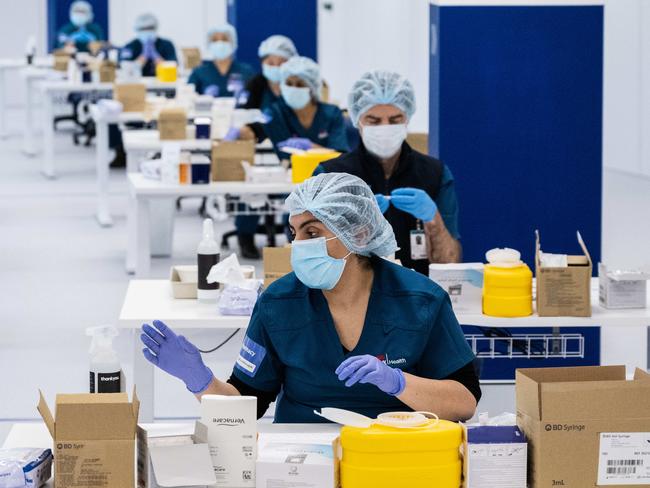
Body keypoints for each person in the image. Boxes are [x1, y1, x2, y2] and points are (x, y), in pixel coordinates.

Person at [140, 173, 480, 423]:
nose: (298, 244)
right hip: (299, 453)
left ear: (358, 233)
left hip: (394, 448)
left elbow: (464, 403)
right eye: (295, 233)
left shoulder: (421, 299)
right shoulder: (278, 302)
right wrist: (199, 380)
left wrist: (399, 382)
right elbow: (247, 404)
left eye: (312, 232)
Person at [315, 70, 462, 275]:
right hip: (350, 294)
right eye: (374, 121)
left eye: (394, 120)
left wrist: (433, 219)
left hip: (419, 292)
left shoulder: (434, 174)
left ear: (407, 119)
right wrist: (353, 225)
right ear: (358, 121)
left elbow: (449, 263)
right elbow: (315, 259)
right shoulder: (331, 176)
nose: (385, 128)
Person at [227, 56, 350, 259]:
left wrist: (311, 147)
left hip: (324, 182)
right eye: (289, 83)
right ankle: (246, 237)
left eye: (300, 84)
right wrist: (238, 130)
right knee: (265, 202)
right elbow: (256, 127)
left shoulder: (332, 113)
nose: (293, 88)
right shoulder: (277, 111)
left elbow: (341, 154)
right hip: (289, 178)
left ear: (311, 87)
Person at [188, 23, 255, 97]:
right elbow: (188, 98)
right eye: (215, 40)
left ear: (232, 43)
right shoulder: (199, 73)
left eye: (224, 39)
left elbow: (256, 99)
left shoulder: (246, 71)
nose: (220, 43)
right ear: (209, 44)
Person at [242, 35, 298, 111]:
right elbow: (245, 114)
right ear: (262, 63)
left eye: (281, 63)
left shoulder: (297, 86)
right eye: (271, 63)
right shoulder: (255, 84)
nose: (276, 67)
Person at [120, 13, 178, 77]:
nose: (147, 31)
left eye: (150, 28)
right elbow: (126, 70)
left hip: (162, 82)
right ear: (137, 29)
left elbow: (173, 67)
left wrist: (156, 56)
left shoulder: (167, 44)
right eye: (143, 29)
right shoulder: (130, 46)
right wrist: (144, 56)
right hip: (137, 83)